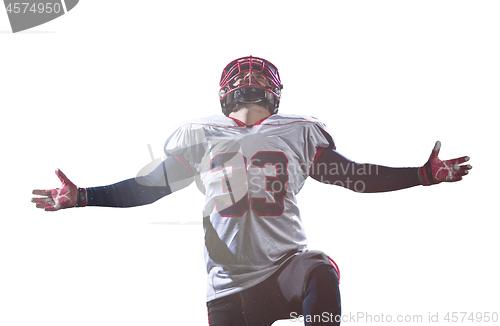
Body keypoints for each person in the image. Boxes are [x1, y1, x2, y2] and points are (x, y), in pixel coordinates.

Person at [32, 56, 472, 326]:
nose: (249, 72)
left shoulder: (297, 131)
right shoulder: (201, 134)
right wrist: (85, 196)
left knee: (320, 269)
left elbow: (350, 175)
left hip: (285, 268)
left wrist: (420, 175)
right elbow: (150, 188)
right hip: (227, 287)